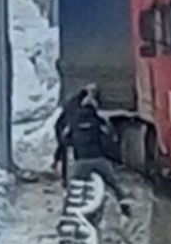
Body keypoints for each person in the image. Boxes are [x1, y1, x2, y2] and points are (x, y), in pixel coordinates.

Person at [54, 85, 131, 217]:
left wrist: (58, 158)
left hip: (81, 162)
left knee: (73, 187)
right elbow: (108, 140)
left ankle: (67, 214)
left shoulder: (73, 124)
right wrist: (114, 158)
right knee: (114, 183)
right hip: (99, 160)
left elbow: (65, 141)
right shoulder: (98, 122)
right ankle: (124, 204)